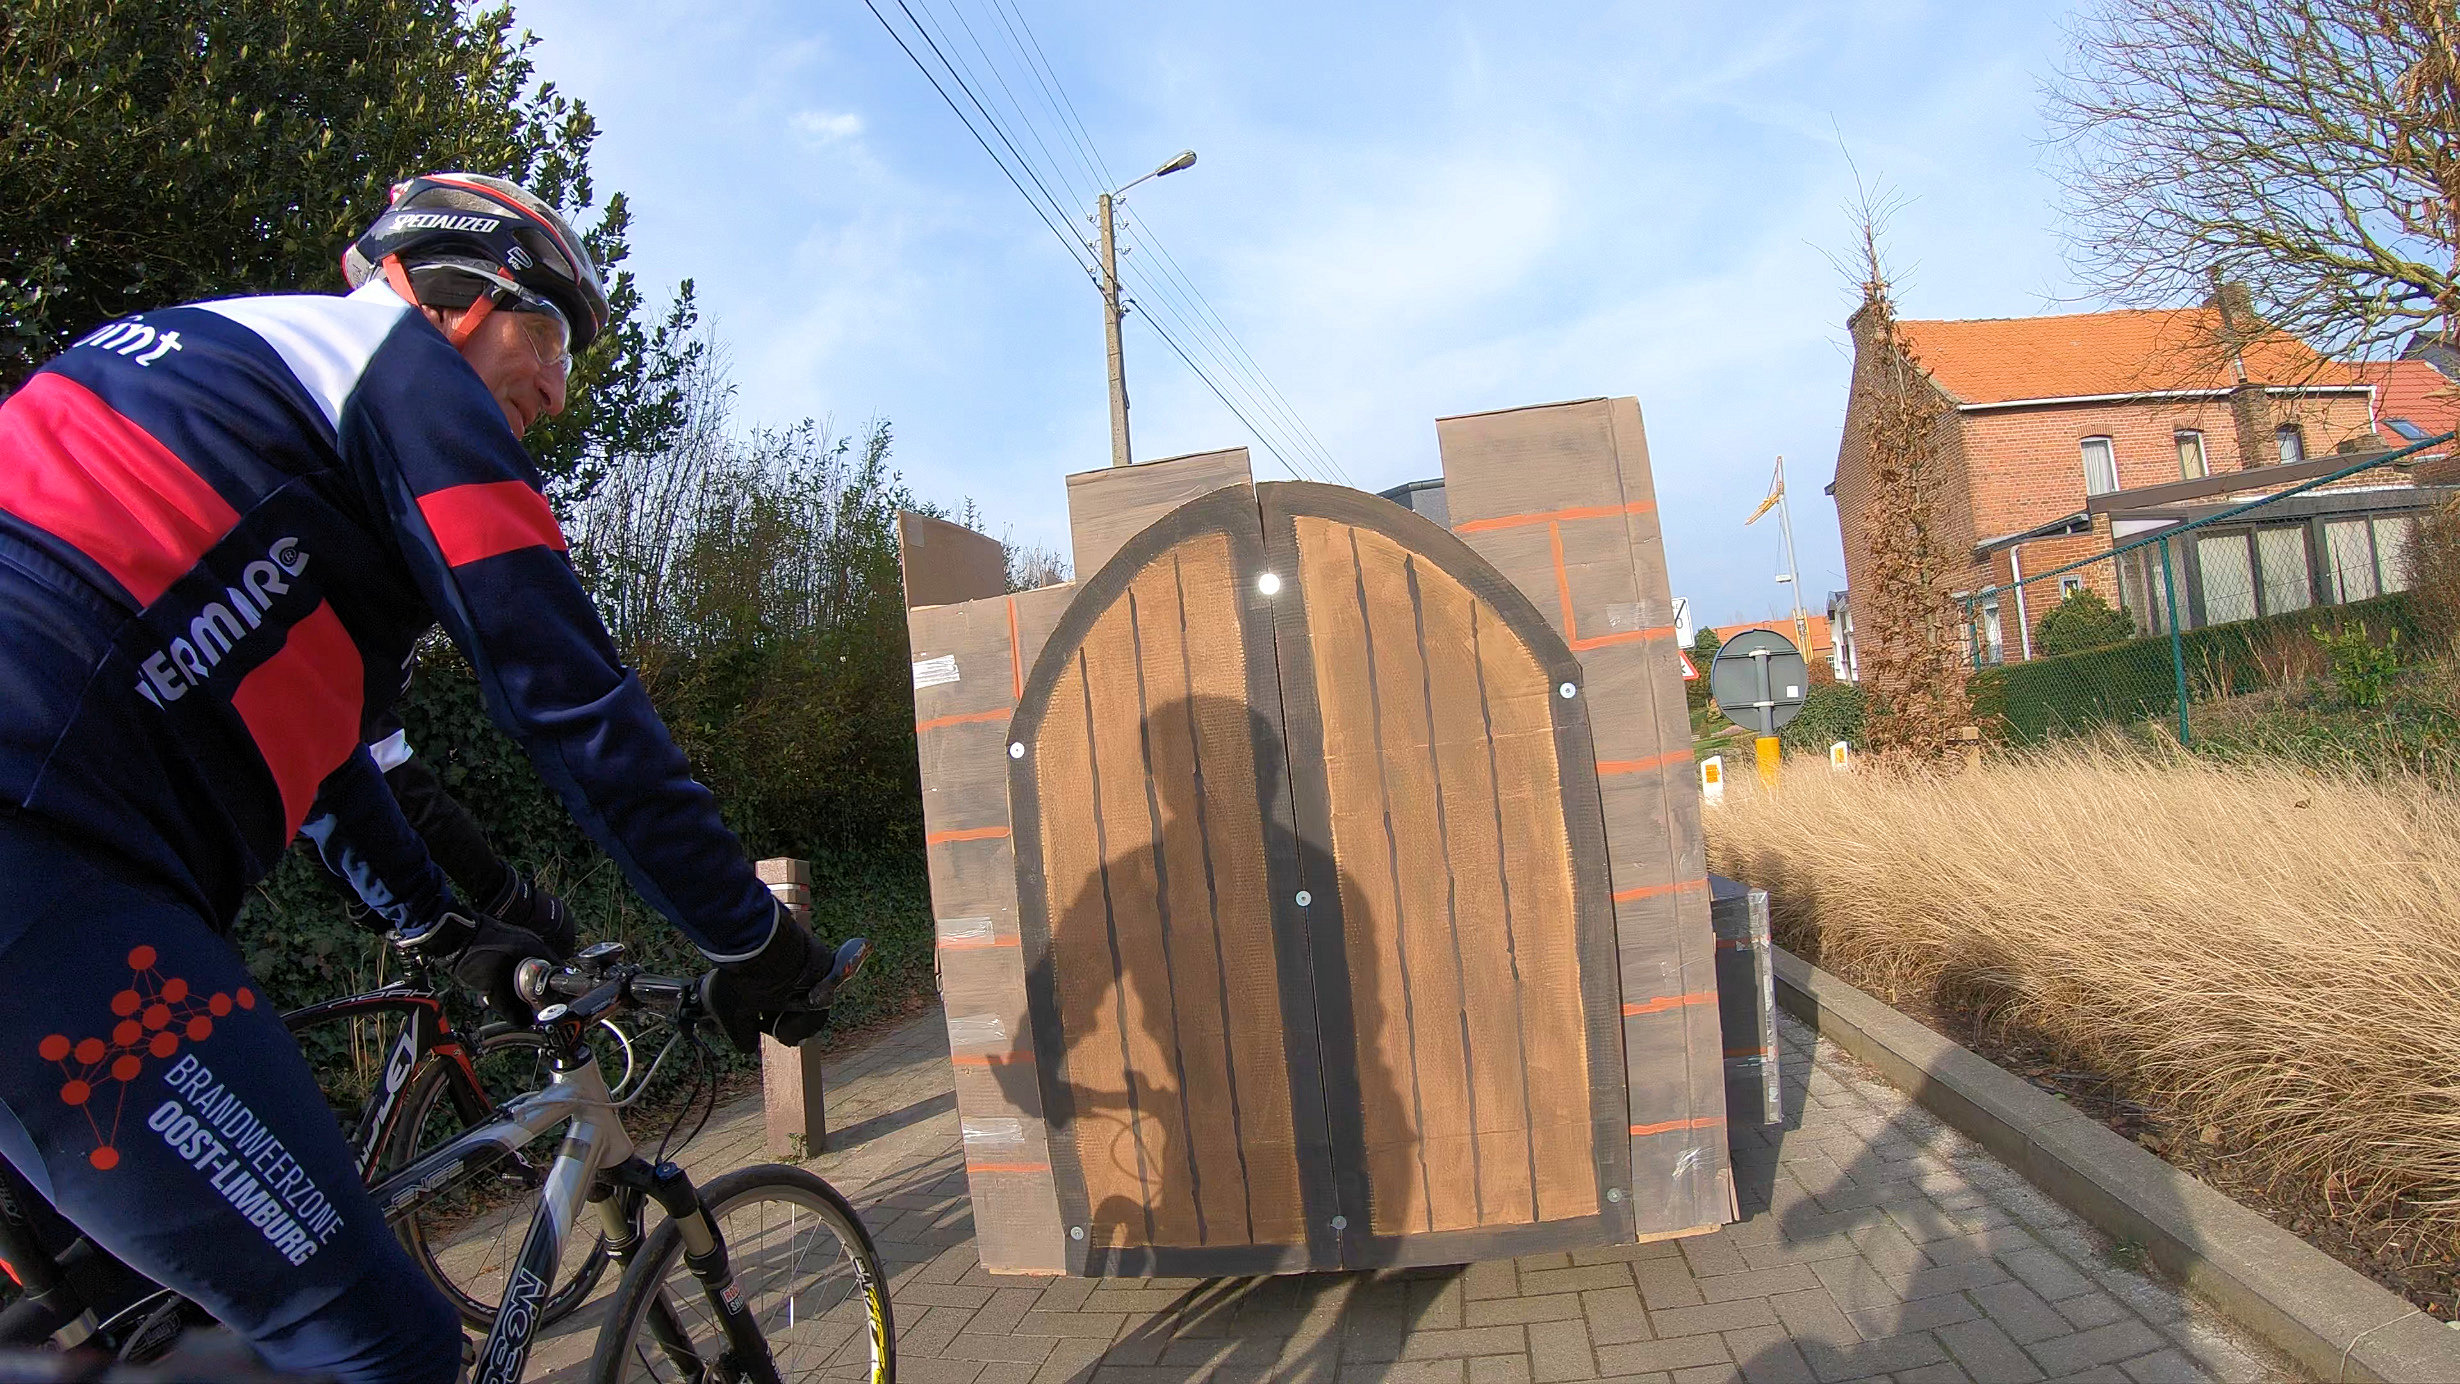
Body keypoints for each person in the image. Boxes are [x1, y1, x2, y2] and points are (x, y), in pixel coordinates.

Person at [0, 172, 834, 1382]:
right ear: (458, 295)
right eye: (548, 338)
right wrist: (749, 935)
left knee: (128, 1329)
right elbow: (571, 698)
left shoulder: (239, 384)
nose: (556, 391)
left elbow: (344, 766)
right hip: (44, 857)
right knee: (380, 1340)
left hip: (47, 850)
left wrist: (450, 927)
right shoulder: (398, 373)